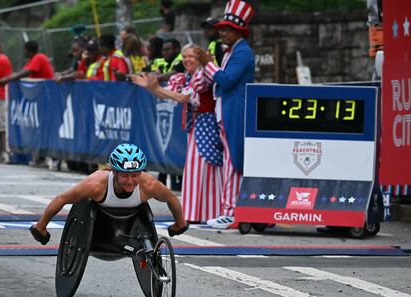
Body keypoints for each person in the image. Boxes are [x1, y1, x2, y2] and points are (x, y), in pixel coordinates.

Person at [133, 44, 224, 224]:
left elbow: (182, 98)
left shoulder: (203, 75)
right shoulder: (186, 77)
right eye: (185, 56)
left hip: (207, 123)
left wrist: (155, 87)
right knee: (195, 169)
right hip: (196, 124)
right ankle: (198, 213)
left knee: (205, 167)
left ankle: (209, 212)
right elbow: (171, 95)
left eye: (191, 56)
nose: (187, 60)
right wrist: (152, 88)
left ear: (200, 58)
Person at [29, 143, 188, 245]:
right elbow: (62, 199)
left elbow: (171, 198)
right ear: (114, 171)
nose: (131, 180)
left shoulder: (148, 185)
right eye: (125, 175)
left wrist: (179, 224)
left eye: (135, 174)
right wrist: (40, 227)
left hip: (130, 226)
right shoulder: (96, 184)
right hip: (98, 225)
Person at [199, 0, 255, 229]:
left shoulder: (242, 52)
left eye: (226, 30)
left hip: (235, 111)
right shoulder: (233, 50)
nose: (222, 33)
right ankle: (228, 209)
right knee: (228, 162)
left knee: (233, 162)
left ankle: (231, 212)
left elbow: (227, 80)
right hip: (226, 111)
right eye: (221, 29)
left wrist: (208, 64)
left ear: (237, 31)